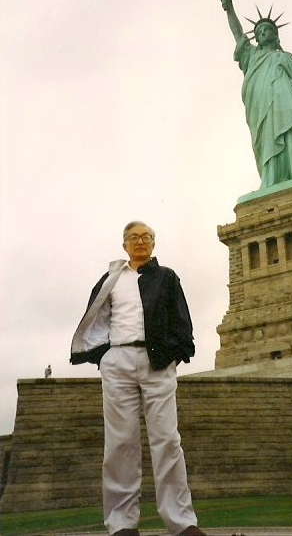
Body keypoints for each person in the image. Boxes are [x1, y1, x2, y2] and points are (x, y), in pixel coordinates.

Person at [70, 221, 205, 536]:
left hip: (157, 362)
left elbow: (181, 320)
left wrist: (174, 355)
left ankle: (182, 522)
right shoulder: (111, 279)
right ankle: (121, 524)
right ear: (124, 245)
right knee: (120, 444)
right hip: (118, 360)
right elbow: (96, 318)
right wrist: (104, 357)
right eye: (134, 237)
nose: (140, 242)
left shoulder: (167, 277)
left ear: (154, 243)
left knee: (167, 441)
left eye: (146, 237)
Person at [219, 0, 292, 189]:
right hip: (261, 106)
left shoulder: (286, 57)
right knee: (268, 140)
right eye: (259, 32)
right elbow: (238, 34)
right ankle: (271, 179)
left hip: (287, 103)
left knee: (291, 131)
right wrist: (228, 7)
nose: (263, 33)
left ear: (275, 35)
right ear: (256, 38)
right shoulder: (252, 56)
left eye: (267, 30)